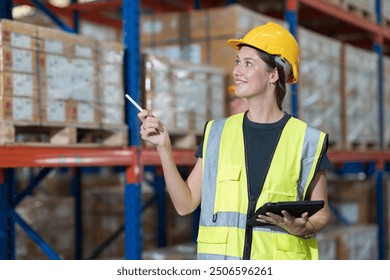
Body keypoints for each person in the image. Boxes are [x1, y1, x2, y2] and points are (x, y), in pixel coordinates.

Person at [138, 22, 331, 260]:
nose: (237, 71)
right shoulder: (217, 132)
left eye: (248, 63)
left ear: (273, 74)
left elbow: (321, 213)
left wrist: (306, 228)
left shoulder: (309, 140)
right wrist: (164, 149)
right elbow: (185, 204)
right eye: (237, 61)